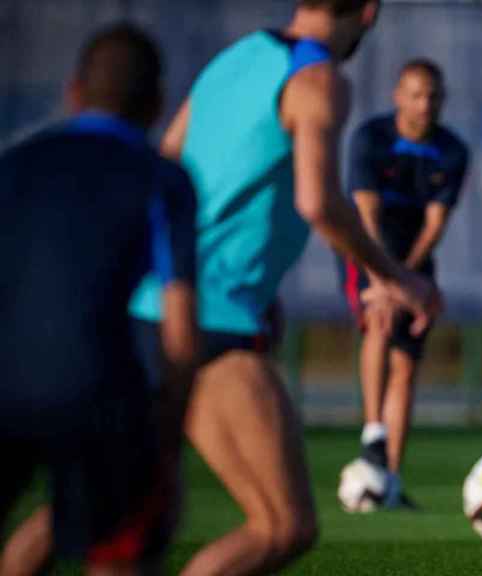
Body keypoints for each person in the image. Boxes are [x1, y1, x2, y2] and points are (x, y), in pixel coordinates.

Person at [3, 1, 440, 574]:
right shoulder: (319, 80)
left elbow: (167, 159)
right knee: (284, 524)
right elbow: (318, 201)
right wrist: (396, 276)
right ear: (368, 11)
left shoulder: (234, 59)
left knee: (77, 511)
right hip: (209, 321)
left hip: (143, 311)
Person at [0, 23, 198, 575]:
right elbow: (180, 331)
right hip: (97, 389)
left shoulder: (12, 166)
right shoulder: (163, 180)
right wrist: (166, 434)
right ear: (157, 104)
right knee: (118, 554)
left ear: (74, 91)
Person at [339, 58, 469, 507]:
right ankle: (373, 434)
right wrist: (387, 281)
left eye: (433, 95)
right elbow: (367, 215)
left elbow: (435, 224)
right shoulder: (370, 139)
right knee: (381, 319)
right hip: (366, 249)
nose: (424, 104)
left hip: (415, 258)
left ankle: (388, 480)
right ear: (398, 96)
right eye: (415, 94)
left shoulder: (452, 150)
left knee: (408, 364)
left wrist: (410, 278)